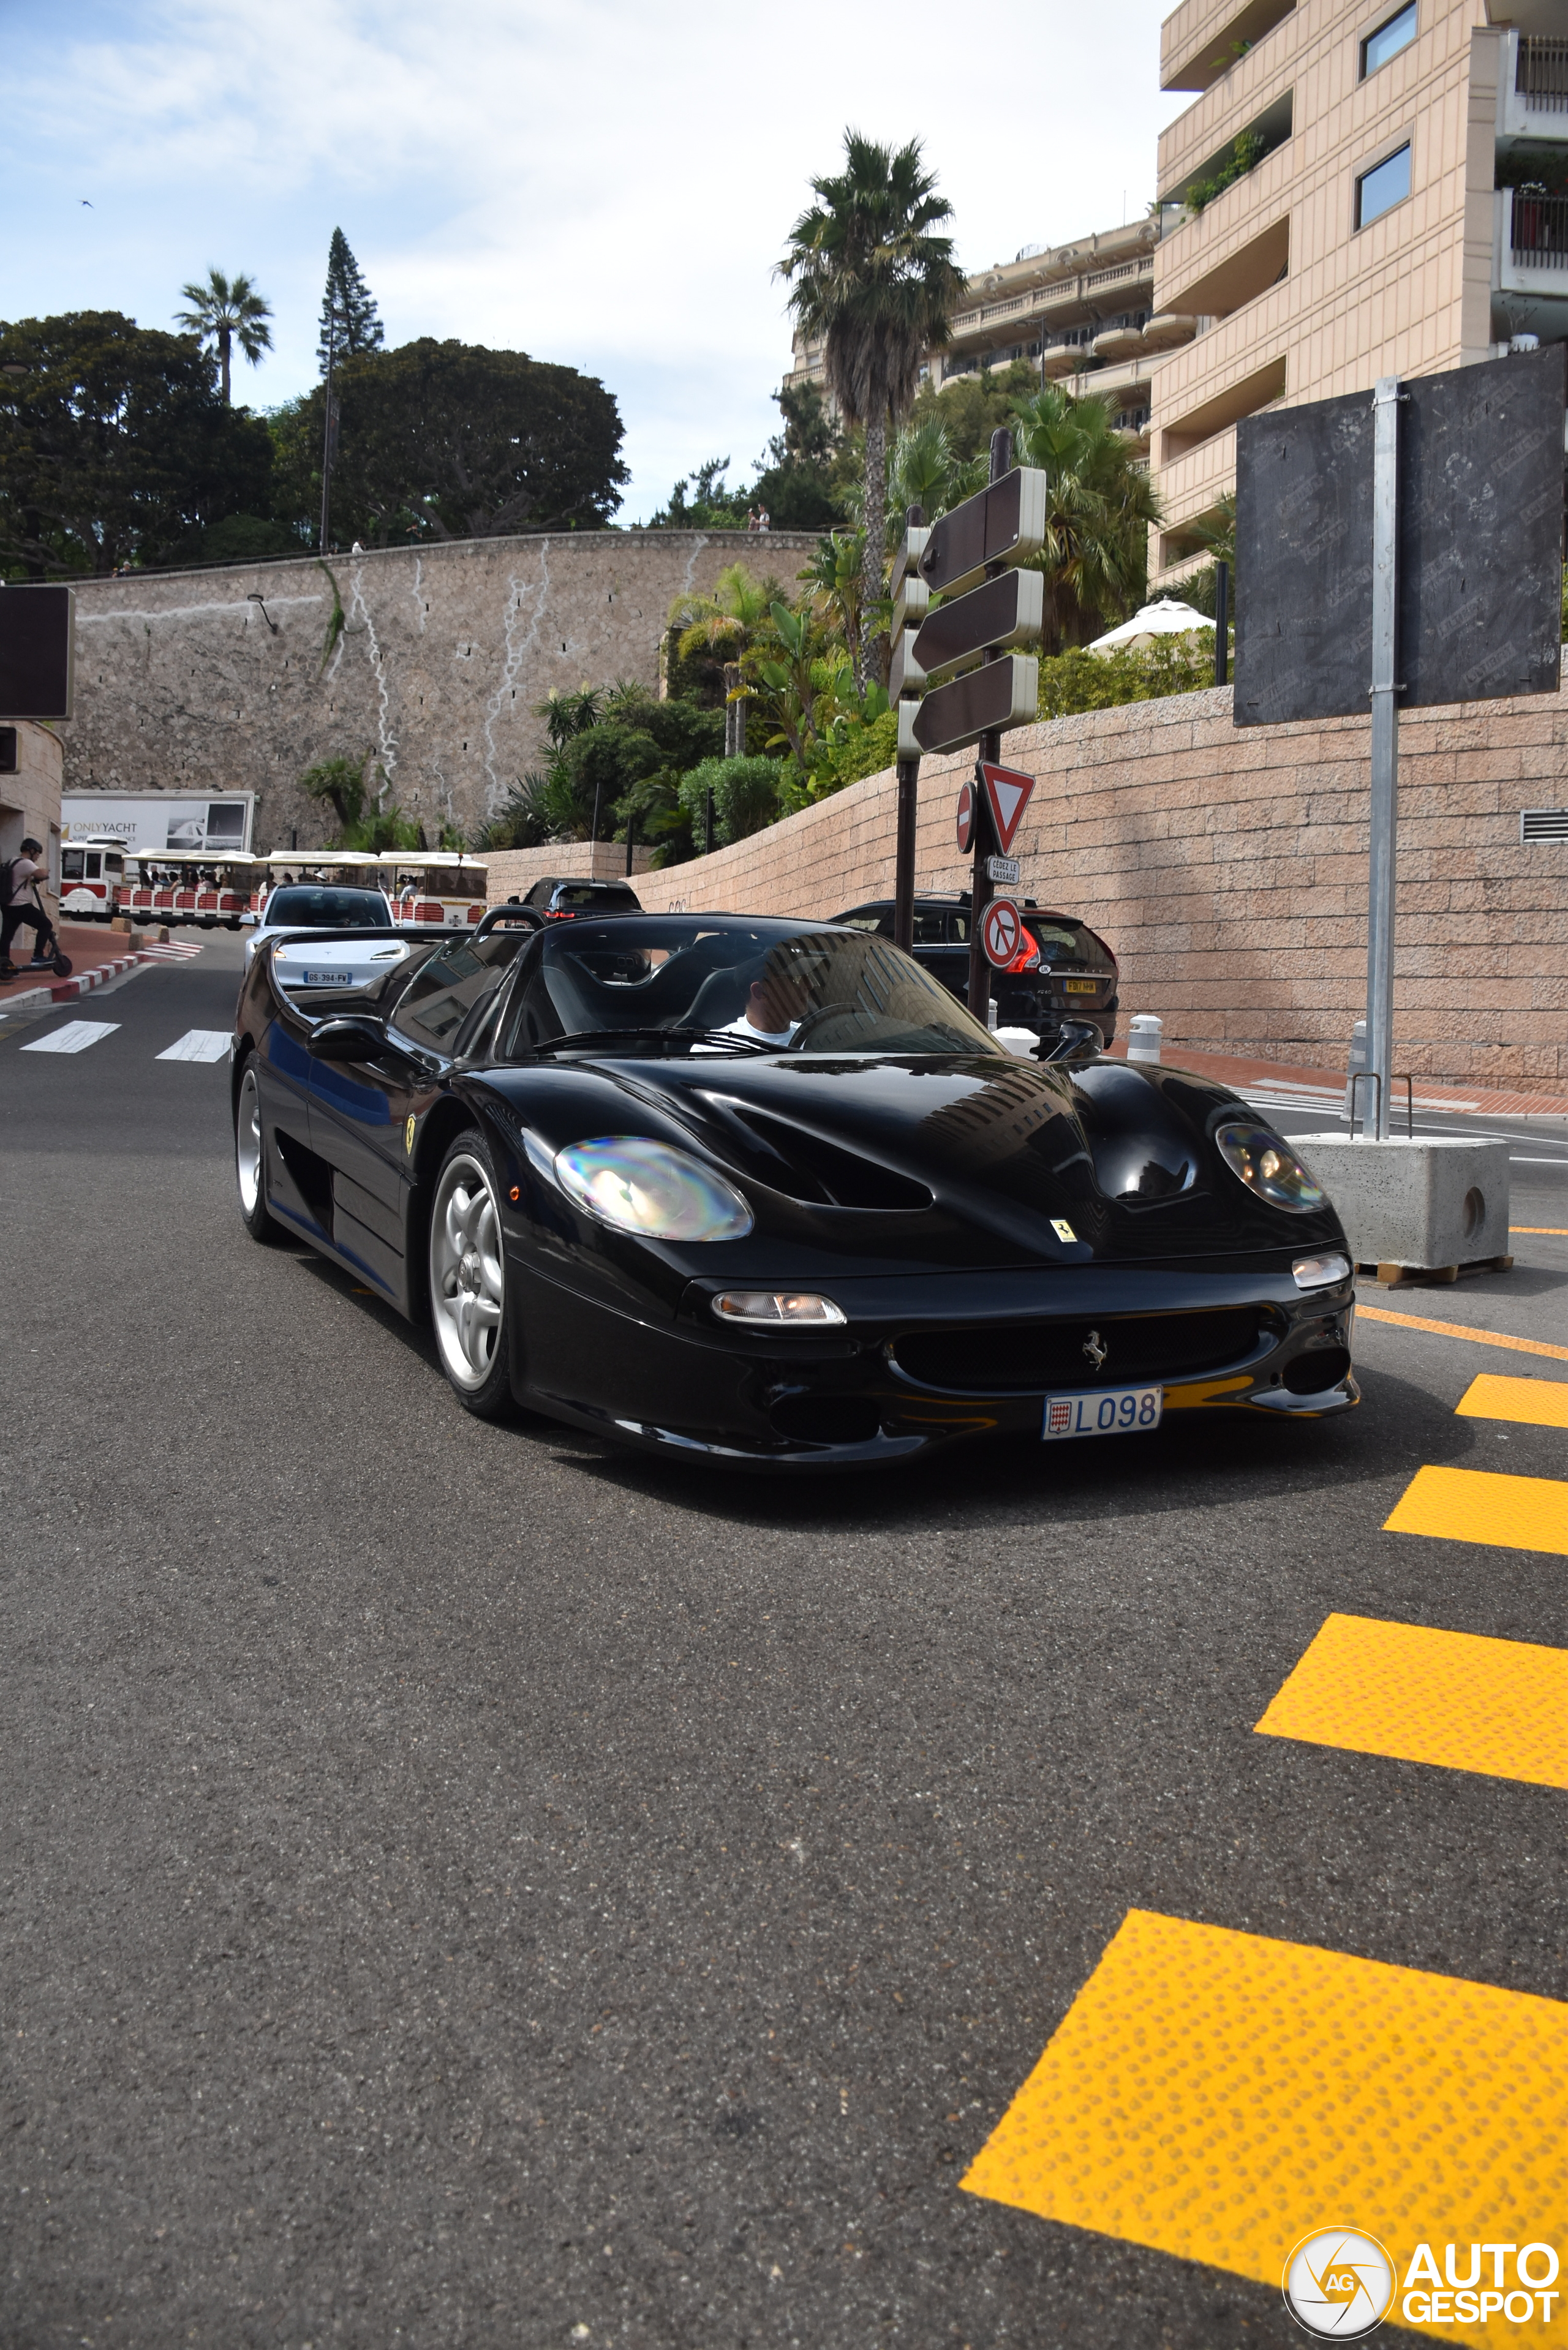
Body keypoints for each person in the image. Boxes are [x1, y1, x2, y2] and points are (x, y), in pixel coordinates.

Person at [0, 838, 49, 976]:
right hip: (21, 905)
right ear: (31, 850)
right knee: (45, 925)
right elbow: (41, 874)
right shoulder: (26, 863)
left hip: (8, 905)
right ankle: (38, 956)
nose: (38, 856)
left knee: (6, 937)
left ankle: (4, 964)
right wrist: (46, 872)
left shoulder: (12, 861)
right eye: (37, 853)